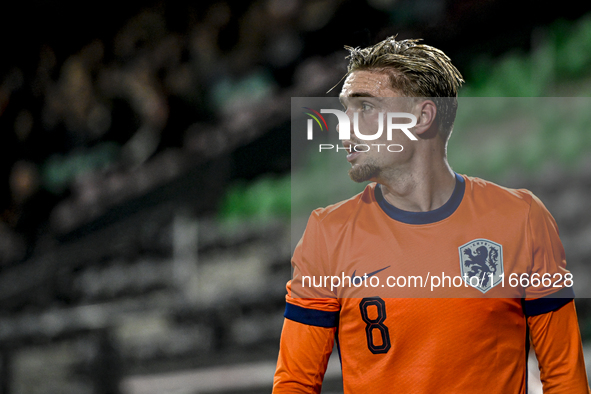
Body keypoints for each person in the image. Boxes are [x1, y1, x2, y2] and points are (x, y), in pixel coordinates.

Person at [273, 36, 590, 393]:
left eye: (365, 108)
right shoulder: (326, 233)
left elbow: (565, 376)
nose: (344, 128)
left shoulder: (522, 218)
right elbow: (295, 383)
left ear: (422, 117)